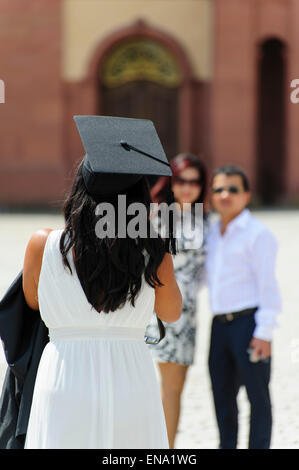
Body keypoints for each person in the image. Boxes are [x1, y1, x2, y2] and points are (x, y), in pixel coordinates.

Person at [22, 115, 182, 449]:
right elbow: (171, 313)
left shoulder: (43, 244)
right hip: (130, 376)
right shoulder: (153, 251)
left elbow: (34, 300)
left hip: (64, 374)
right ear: (139, 198)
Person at [205, 164, 282, 449]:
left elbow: (269, 287)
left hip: (248, 325)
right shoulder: (212, 233)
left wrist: (264, 332)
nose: (225, 195)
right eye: (219, 189)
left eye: (233, 189)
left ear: (247, 195)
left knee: (257, 397)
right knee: (222, 398)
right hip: (219, 328)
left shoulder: (257, 234)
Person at [145, 153, 208, 449]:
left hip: (190, 317)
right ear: (171, 181)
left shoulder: (205, 220)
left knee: (175, 390)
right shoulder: (156, 218)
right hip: (160, 313)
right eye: (181, 180)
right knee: (162, 391)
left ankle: (167, 447)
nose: (187, 187)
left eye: (194, 181)